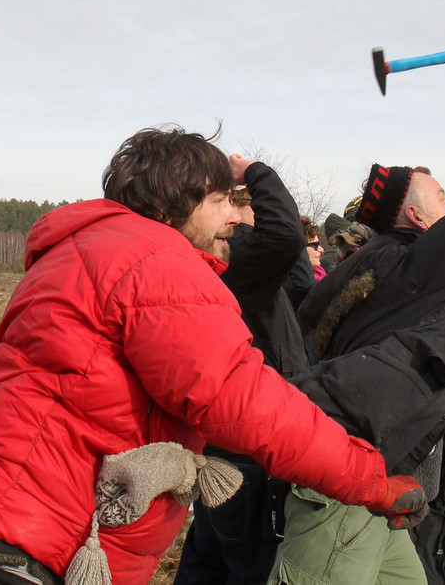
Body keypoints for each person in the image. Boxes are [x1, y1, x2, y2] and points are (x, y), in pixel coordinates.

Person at [0, 127, 426, 585]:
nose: (233, 218)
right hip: (24, 545)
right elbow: (242, 402)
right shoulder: (155, 261)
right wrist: (370, 482)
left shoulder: (86, 250)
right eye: (220, 200)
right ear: (173, 202)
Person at [284, 33, 445, 585]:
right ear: (419, 220)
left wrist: (440, 454)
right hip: (348, 486)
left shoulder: (394, 273)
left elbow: (403, 373)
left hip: (381, 480)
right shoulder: (424, 264)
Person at [174, 156, 311, 584]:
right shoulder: (235, 259)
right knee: (250, 560)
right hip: (255, 441)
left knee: (208, 553)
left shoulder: (203, 262)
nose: (239, 218)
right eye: (230, 205)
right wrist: (256, 171)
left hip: (220, 438)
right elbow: (287, 237)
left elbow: (300, 276)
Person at [302, 216, 327, 281]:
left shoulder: (321, 274)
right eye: (314, 245)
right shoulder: (289, 282)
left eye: (318, 244)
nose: (321, 250)